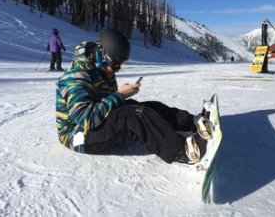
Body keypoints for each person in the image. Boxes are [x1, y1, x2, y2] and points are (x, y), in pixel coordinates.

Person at [55, 30, 214, 165]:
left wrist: (122, 96)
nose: (117, 69)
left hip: (94, 126)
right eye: (115, 64)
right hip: (78, 136)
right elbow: (86, 118)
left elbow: (106, 104)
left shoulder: (102, 68)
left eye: (120, 64)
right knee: (133, 115)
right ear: (101, 55)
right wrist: (119, 95)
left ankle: (192, 122)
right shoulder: (76, 76)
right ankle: (183, 151)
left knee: (146, 107)